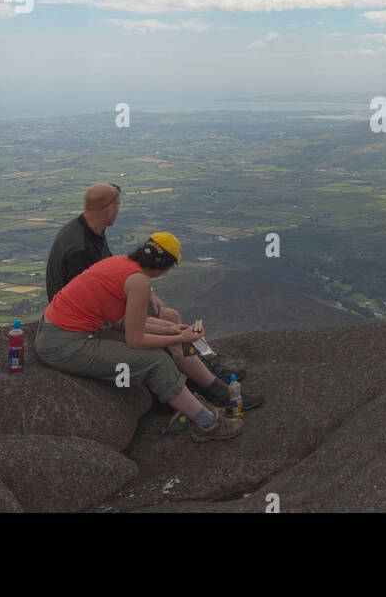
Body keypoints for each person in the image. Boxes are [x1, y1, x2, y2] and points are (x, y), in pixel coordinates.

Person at [43, 183, 256, 407]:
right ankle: (209, 385)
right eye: (118, 205)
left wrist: (148, 294)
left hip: (94, 312)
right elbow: (102, 310)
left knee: (169, 318)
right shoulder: (81, 247)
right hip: (84, 324)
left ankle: (208, 378)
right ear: (108, 210)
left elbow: (111, 277)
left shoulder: (89, 230)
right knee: (169, 324)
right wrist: (169, 330)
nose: (119, 210)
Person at [35, 232, 241, 442]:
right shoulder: (139, 283)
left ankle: (216, 392)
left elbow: (121, 322)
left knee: (169, 341)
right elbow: (135, 340)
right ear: (165, 266)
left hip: (55, 331)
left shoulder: (119, 264)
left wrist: (174, 331)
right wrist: (175, 337)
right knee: (156, 361)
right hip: (64, 344)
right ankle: (208, 423)